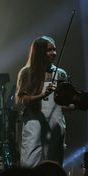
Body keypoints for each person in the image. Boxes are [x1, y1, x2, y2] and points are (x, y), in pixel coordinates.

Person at [14, 35, 68, 168]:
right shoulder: (27, 72)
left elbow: (66, 102)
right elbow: (24, 99)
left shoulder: (61, 74)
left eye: (54, 49)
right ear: (39, 52)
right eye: (49, 50)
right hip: (34, 125)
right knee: (30, 164)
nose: (53, 53)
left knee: (53, 166)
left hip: (56, 125)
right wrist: (43, 94)